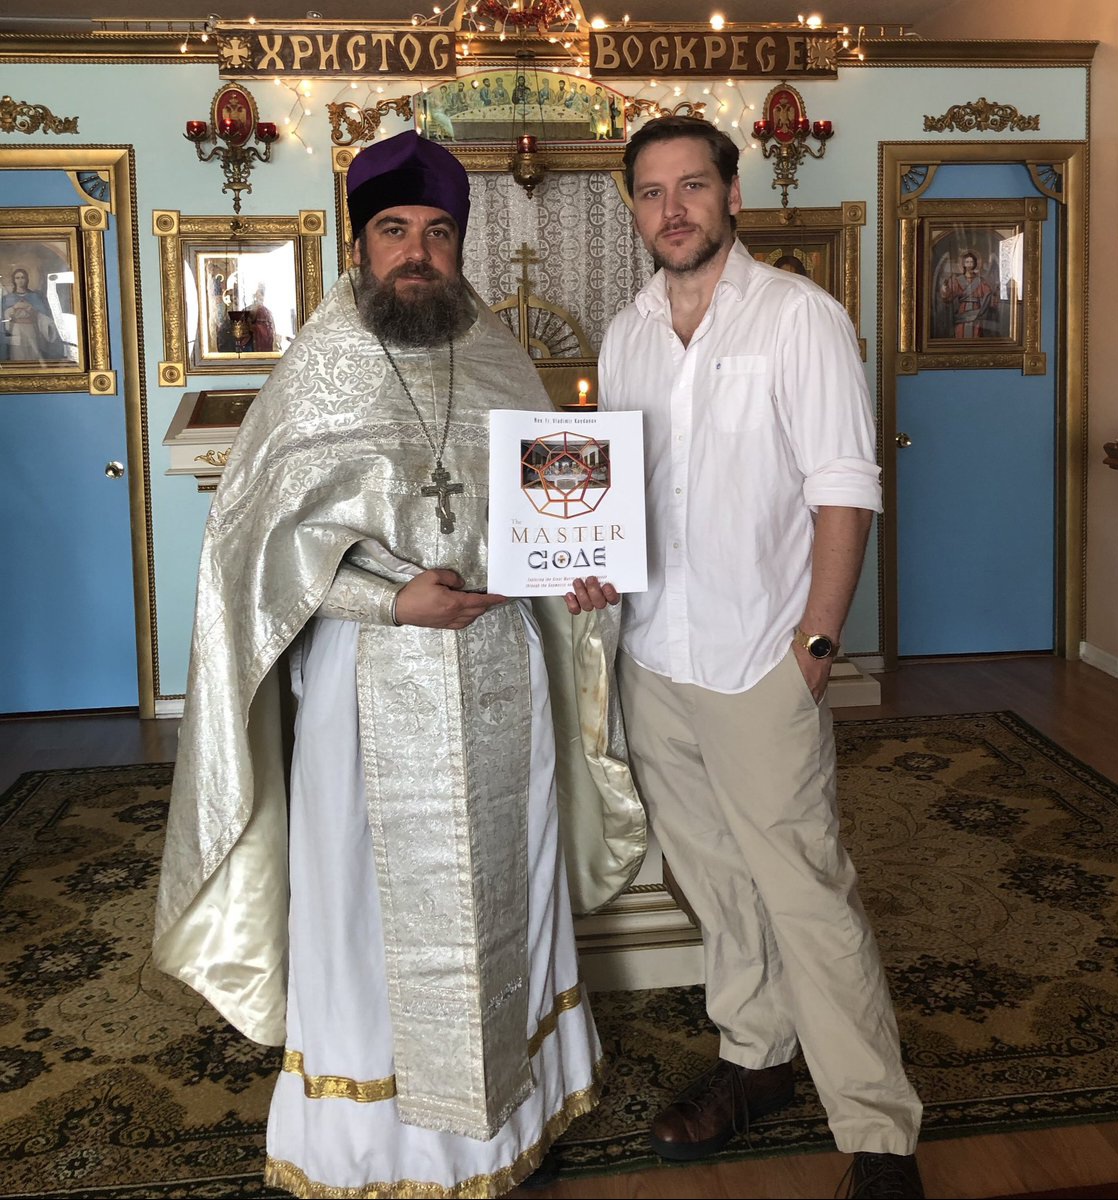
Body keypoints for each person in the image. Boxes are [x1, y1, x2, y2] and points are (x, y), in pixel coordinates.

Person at [153, 129, 645, 1199]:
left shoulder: (499, 357)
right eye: (394, 231)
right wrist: (388, 597)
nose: (417, 253)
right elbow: (252, 554)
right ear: (358, 244)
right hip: (367, 681)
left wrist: (579, 571)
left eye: (436, 233)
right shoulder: (317, 369)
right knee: (364, 902)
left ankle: (509, 1126)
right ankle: (373, 1148)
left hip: (501, 670)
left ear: (458, 245)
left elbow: (550, 511)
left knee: (513, 880)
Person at [567, 115, 924, 1199]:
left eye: (691, 186)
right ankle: (756, 1054)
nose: (671, 209)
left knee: (805, 891)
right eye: (650, 192)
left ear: (732, 195)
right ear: (634, 211)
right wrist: (591, 564)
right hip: (654, 655)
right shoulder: (626, 334)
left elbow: (843, 488)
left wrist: (816, 643)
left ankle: (878, 1135)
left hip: (762, 656)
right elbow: (620, 495)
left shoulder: (798, 318)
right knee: (714, 884)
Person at [0, 266, 66, 361]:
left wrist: (31, 310)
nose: (20, 280)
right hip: (16, 331)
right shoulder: (7, 298)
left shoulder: (35, 297)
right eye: (17, 278)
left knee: (33, 355)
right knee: (17, 355)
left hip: (31, 329)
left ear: (27, 279)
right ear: (14, 280)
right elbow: (3, 318)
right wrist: (14, 308)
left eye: (22, 277)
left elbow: (43, 316)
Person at [939, 249, 997, 338]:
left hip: (976, 311)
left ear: (975, 263)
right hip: (962, 311)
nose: (969, 264)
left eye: (971, 262)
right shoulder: (957, 280)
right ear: (963, 264)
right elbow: (948, 294)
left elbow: (988, 293)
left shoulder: (980, 281)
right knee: (961, 331)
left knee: (976, 332)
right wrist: (945, 287)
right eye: (967, 262)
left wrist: (994, 292)